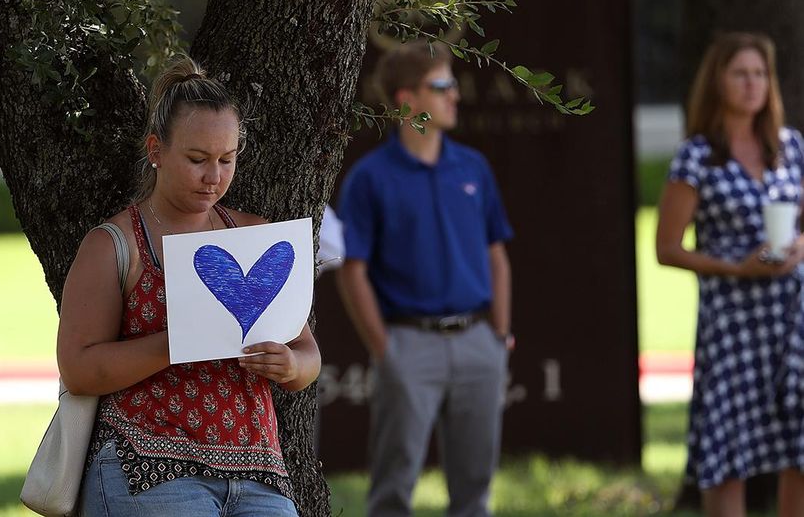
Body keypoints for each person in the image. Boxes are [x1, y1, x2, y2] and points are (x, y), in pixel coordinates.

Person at [57, 55, 321, 516]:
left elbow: (308, 354)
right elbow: (78, 369)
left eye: (227, 159)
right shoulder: (116, 244)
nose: (213, 177)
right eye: (197, 160)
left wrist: (291, 365)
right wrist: (178, 342)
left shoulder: (253, 236)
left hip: (257, 469)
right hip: (148, 463)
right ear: (156, 151)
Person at [336, 40, 514, 517]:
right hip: (408, 345)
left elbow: (497, 255)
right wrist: (384, 349)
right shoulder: (369, 178)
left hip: (478, 342)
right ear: (407, 99)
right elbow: (353, 271)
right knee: (393, 489)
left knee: (475, 491)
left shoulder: (473, 167)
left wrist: (499, 334)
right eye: (442, 86)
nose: (455, 94)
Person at [657, 31, 804, 516]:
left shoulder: (790, 147)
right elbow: (666, 249)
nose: (752, 84)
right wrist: (736, 267)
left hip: (792, 317)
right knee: (729, 452)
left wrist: (796, 249)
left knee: (800, 448)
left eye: (760, 73)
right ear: (717, 81)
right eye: (740, 73)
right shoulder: (697, 156)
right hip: (732, 321)